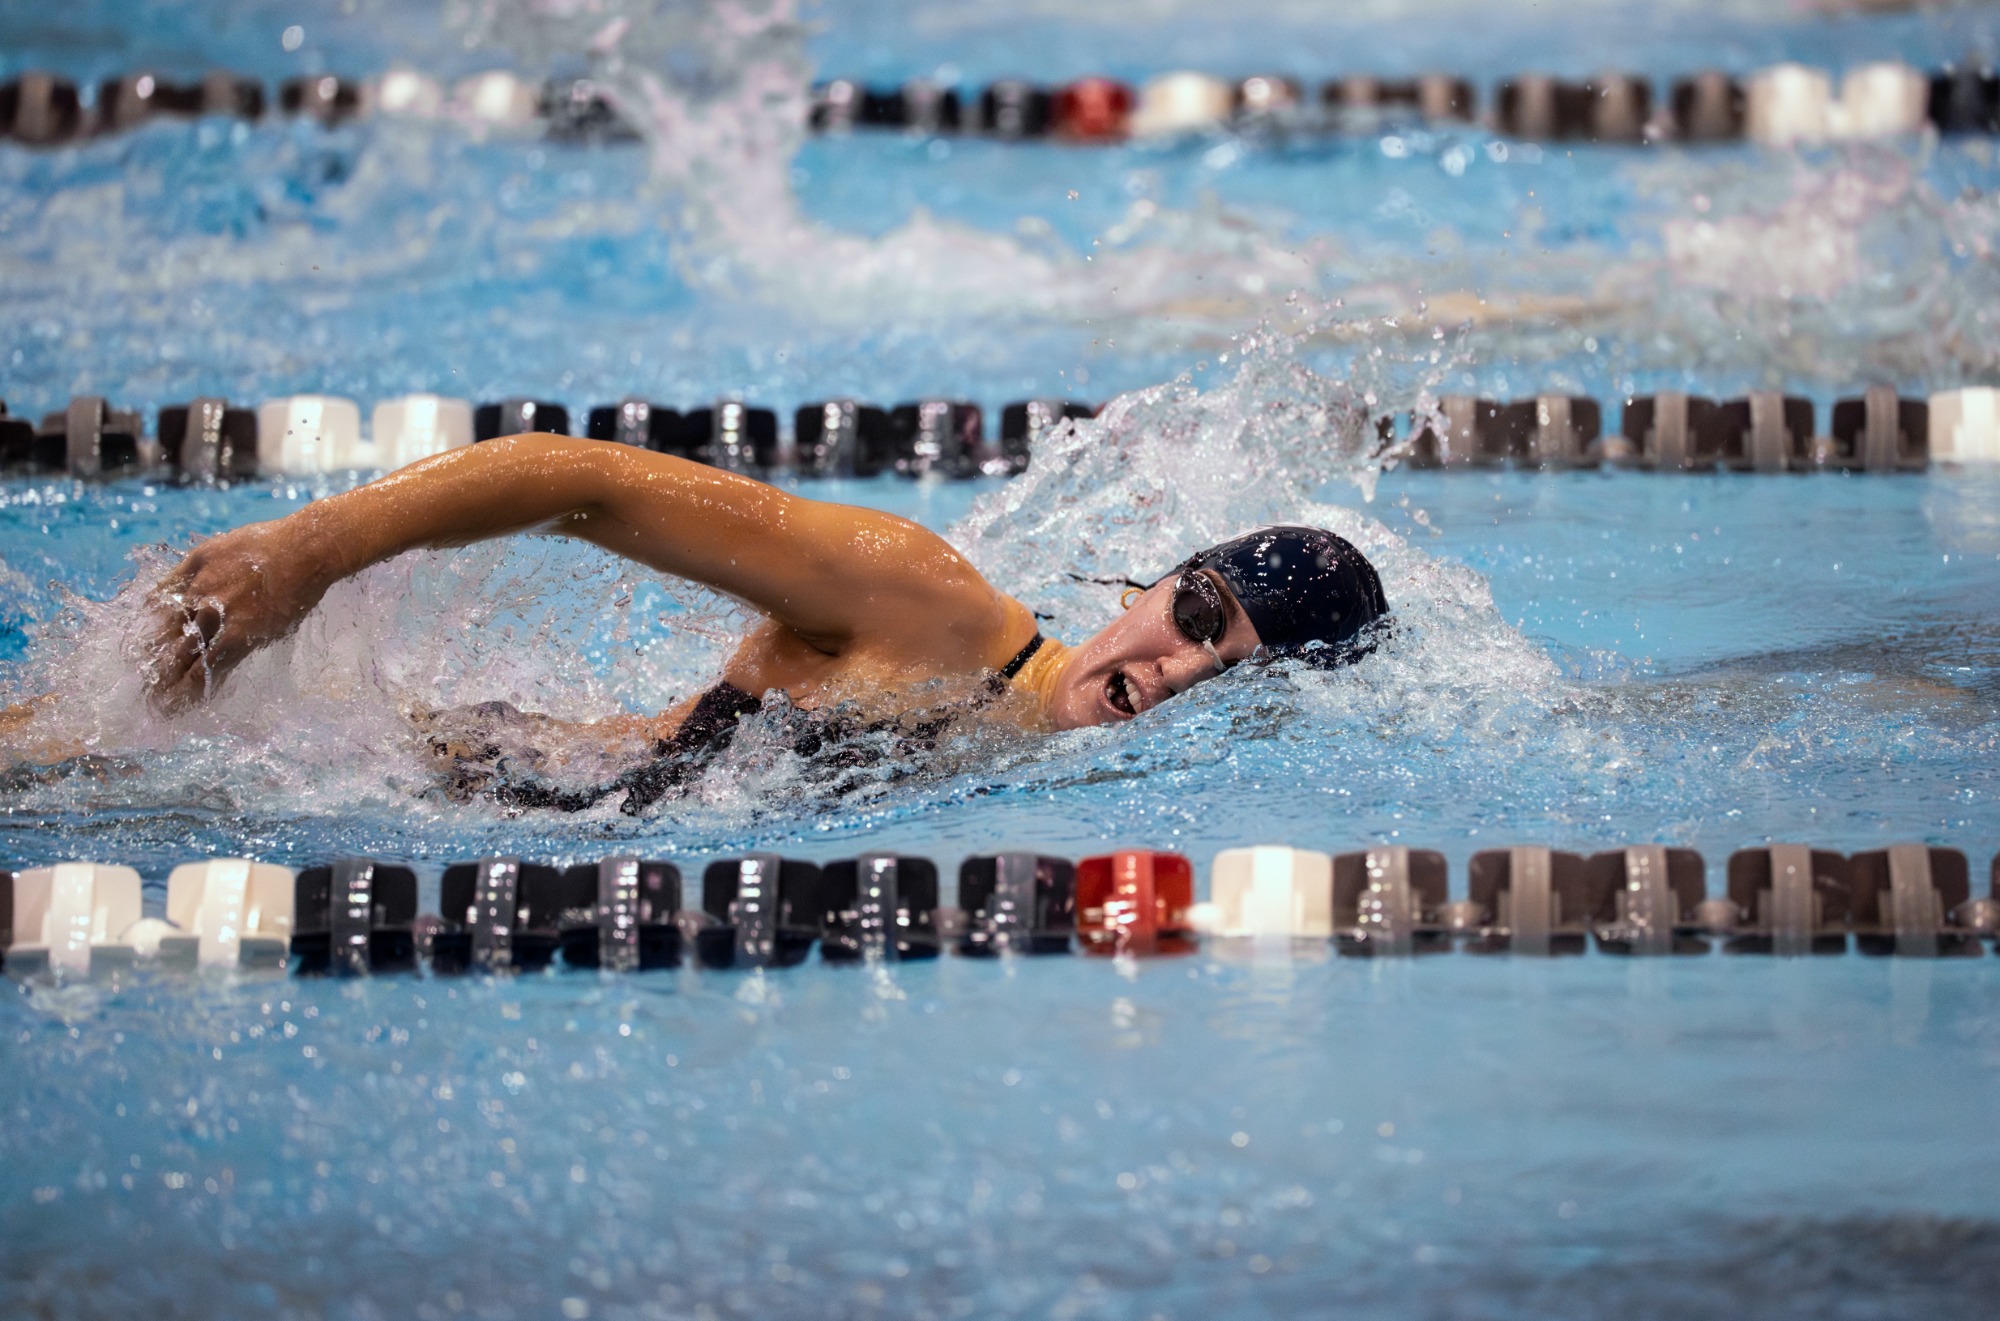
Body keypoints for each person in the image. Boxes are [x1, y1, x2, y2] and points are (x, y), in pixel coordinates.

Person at [142, 433, 1389, 809]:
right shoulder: (934, 609)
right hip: (409, 777)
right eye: (1196, 612)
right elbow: (587, 481)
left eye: (1223, 673)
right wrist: (307, 552)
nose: (1168, 670)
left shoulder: (1047, 779)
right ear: (1151, 580)